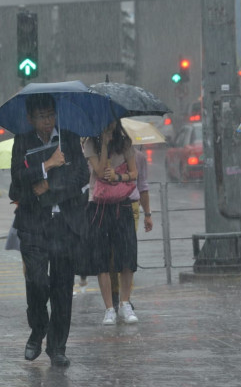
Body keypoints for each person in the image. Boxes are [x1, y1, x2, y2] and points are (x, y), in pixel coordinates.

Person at [9, 93, 89, 368]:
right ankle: (38, 329)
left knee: (62, 289)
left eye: (50, 115)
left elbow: (81, 177)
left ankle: (57, 347)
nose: (47, 121)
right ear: (30, 119)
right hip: (33, 225)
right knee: (37, 281)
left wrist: (51, 187)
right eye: (41, 116)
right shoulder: (22, 142)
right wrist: (47, 165)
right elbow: (17, 181)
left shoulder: (69, 138)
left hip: (65, 225)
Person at [83, 120, 139, 326]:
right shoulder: (90, 144)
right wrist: (104, 144)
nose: (109, 124)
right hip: (98, 207)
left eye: (112, 120)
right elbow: (98, 172)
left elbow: (134, 174)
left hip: (122, 205)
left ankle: (125, 303)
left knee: (127, 255)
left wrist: (118, 176)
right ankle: (109, 308)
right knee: (101, 258)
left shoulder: (125, 143)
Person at [108, 146, 154, 310]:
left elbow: (143, 186)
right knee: (110, 255)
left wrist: (147, 214)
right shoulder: (106, 154)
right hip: (107, 206)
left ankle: (125, 299)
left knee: (127, 252)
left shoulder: (139, 157)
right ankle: (113, 295)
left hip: (131, 207)